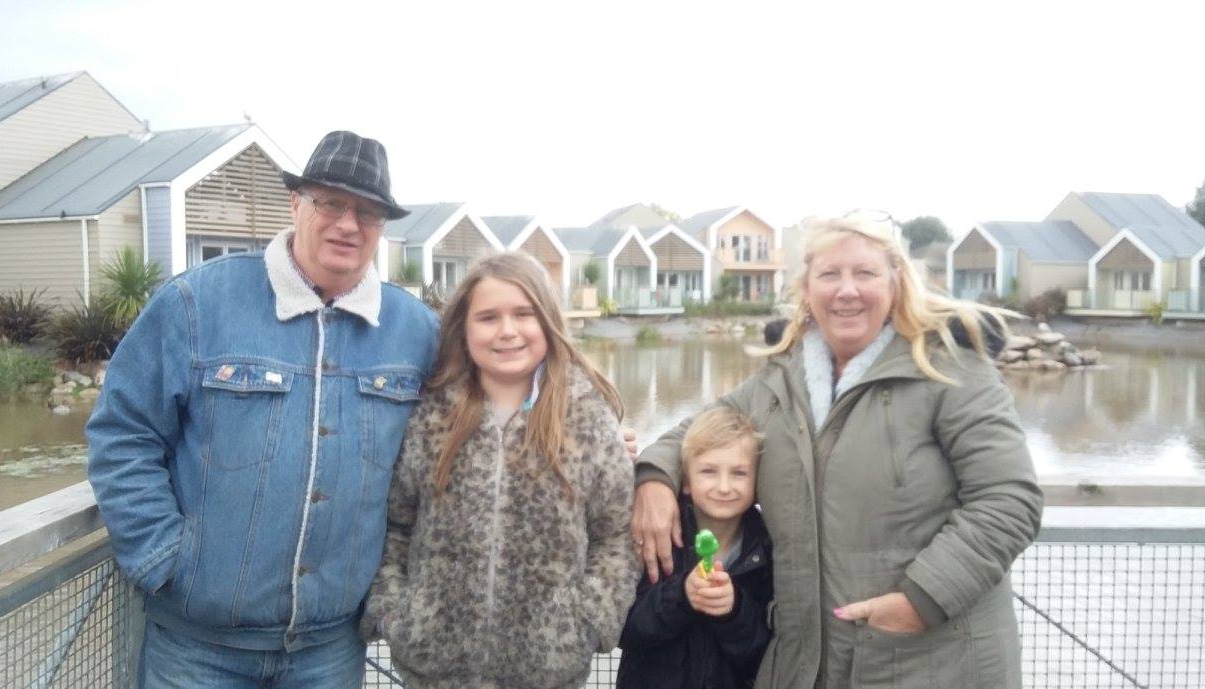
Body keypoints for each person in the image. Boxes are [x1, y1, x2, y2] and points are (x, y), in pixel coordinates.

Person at [632, 211, 1043, 689]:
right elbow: (690, 434)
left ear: (896, 283)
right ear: (807, 289)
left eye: (865, 273)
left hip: (931, 661)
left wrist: (921, 601)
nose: (847, 290)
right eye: (829, 274)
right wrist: (654, 479)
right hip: (809, 665)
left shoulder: (950, 371)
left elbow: (1008, 500)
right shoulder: (779, 381)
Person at [87, 131, 437, 688]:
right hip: (197, 649)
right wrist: (163, 559)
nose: (348, 224)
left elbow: (485, 415)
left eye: (368, 212)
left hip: (331, 650)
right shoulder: (195, 303)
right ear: (296, 204)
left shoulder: (418, 332)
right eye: (331, 203)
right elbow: (123, 434)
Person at [359, 251, 638, 689]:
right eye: (488, 317)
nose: (507, 330)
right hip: (433, 671)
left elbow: (615, 536)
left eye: (524, 314)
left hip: (549, 673)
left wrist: (590, 622)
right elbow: (396, 525)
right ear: (464, 328)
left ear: (547, 320)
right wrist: (395, 612)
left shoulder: (588, 421)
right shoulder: (430, 416)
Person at [616, 407, 773, 689]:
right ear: (686, 482)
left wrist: (733, 610)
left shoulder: (768, 548)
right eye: (709, 472)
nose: (724, 487)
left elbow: (765, 653)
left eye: (739, 473)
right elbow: (624, 630)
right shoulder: (652, 533)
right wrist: (682, 597)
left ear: (758, 483)